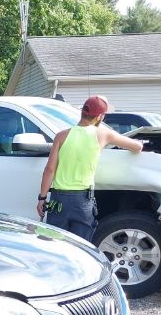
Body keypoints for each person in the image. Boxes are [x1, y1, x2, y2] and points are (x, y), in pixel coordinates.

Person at [36, 95, 143, 241]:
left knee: (54, 244)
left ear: (82, 112)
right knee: (81, 246)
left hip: (58, 201)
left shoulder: (61, 136)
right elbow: (137, 147)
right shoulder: (103, 134)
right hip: (82, 201)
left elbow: (49, 169)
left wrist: (42, 198)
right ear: (100, 116)